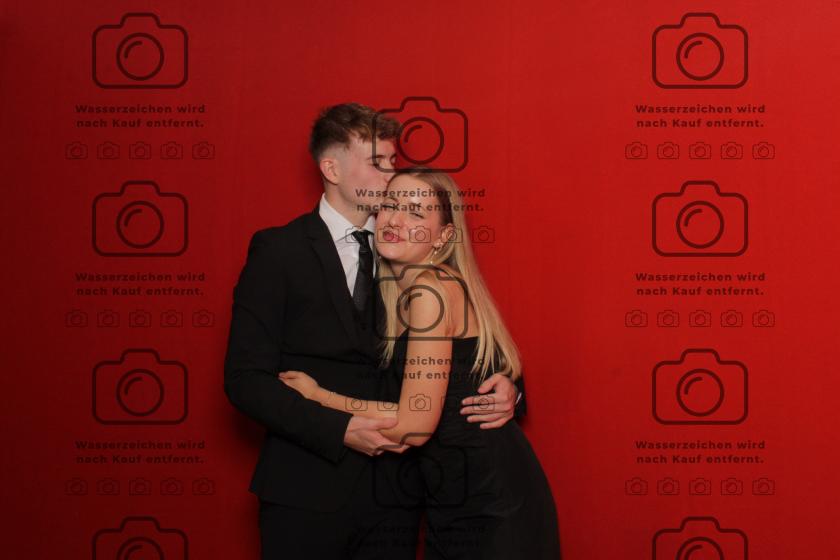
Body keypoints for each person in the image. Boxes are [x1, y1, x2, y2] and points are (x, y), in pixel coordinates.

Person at [223, 103, 524, 559]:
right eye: (377, 162)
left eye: (393, 161)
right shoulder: (279, 250)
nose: (390, 174)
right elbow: (245, 379)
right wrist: (338, 428)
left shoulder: (408, 247)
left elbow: (467, 347)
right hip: (307, 487)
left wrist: (511, 390)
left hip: (400, 493)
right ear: (332, 169)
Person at [279, 169, 561, 559]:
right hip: (453, 497)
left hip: (489, 503)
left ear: (444, 237)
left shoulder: (430, 289)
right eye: (390, 205)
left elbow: (413, 427)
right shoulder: (401, 289)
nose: (395, 221)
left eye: (415, 213)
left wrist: (316, 396)